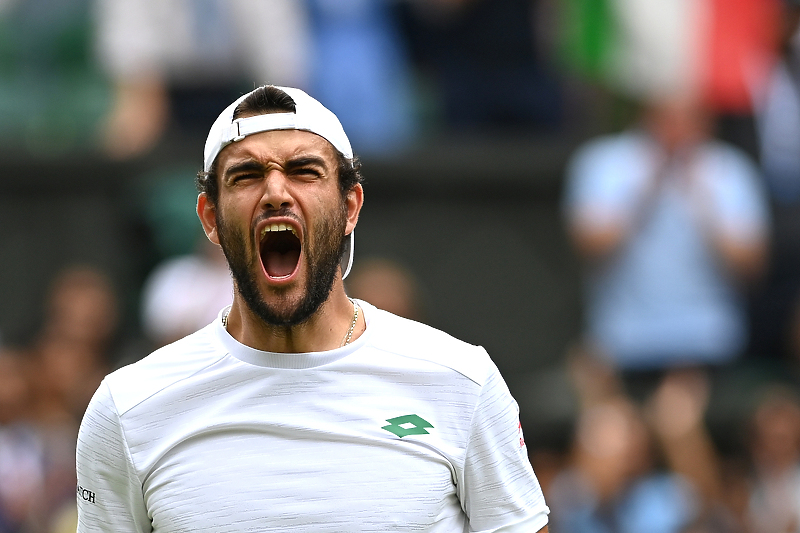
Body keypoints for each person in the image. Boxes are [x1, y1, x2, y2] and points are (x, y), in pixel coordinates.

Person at [75, 85, 550, 532]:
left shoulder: (462, 382)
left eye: (304, 171)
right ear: (210, 218)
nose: (276, 193)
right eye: (247, 175)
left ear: (350, 208)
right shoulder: (127, 408)